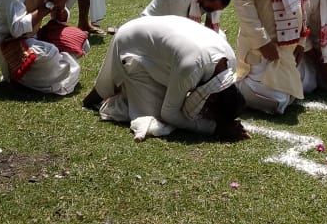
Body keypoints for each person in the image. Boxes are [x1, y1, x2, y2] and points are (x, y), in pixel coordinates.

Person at [82, 15, 247, 141]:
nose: (204, 114)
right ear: (212, 99)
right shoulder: (192, 68)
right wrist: (213, 128)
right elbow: (169, 114)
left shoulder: (230, 61)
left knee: (178, 106)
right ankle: (114, 97)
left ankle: (121, 88)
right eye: (208, 113)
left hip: (155, 41)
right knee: (157, 119)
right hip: (132, 43)